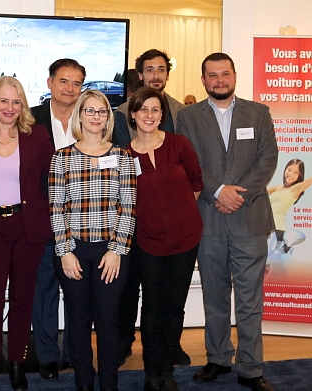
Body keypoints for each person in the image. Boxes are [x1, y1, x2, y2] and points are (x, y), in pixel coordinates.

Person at [177, 52, 278, 391]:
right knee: (214, 297)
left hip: (249, 219)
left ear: (235, 76)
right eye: (212, 75)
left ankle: (251, 368)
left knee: (250, 300)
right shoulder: (187, 117)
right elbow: (187, 162)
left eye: (225, 74)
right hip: (208, 219)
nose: (219, 80)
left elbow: (268, 159)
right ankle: (218, 358)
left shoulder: (258, 112)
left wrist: (239, 194)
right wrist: (218, 191)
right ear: (203, 80)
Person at [49, 89, 136, 391]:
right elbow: (56, 208)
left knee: (109, 323)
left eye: (102, 111)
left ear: (108, 117)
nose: (96, 117)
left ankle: (109, 385)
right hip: (73, 253)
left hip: (110, 254)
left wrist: (117, 251)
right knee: (78, 321)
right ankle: (84, 384)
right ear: (79, 115)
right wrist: (64, 252)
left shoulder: (122, 157)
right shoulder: (62, 158)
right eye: (90, 111)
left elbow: (128, 208)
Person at [0, 76, 54, 391]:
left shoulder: (37, 135)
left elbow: (54, 179)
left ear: (23, 105)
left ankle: (18, 364)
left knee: (23, 299)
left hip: (27, 228)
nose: (10, 107)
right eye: (4, 100)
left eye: (16, 101)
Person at [114, 49, 190, 367]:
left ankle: (170, 346)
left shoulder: (183, 113)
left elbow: (192, 175)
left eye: (161, 69)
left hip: (173, 223)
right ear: (140, 74)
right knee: (130, 286)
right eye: (149, 70)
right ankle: (124, 342)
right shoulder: (118, 114)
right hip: (132, 219)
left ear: (167, 74)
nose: (156, 75)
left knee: (170, 292)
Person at [126, 88, 203, 391]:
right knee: (152, 307)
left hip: (186, 239)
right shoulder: (124, 155)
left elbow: (196, 184)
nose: (149, 115)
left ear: (162, 115)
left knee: (175, 306)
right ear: (133, 114)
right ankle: (150, 371)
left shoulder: (179, 144)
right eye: (143, 109)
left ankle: (167, 370)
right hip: (148, 242)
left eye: (155, 110)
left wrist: (177, 215)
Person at [30, 58, 86, 380]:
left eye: (76, 83)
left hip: (84, 222)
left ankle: (77, 355)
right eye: (63, 81)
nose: (70, 89)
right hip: (43, 219)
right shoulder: (31, 119)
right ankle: (48, 356)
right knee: (45, 288)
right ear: (49, 82)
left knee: (79, 292)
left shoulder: (91, 118)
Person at [268, 159, 312, 241]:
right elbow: (259, 190)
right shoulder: (278, 187)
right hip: (264, 227)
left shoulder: (295, 189)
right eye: (289, 170)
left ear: (300, 175)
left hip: (277, 229)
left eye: (296, 172)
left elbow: (310, 181)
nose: (291, 174)